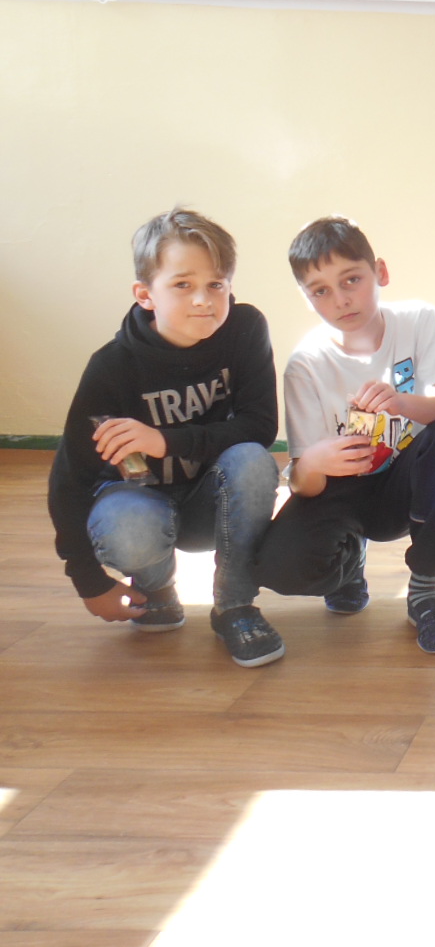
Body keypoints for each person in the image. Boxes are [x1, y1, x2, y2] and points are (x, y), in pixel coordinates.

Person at [46, 208, 283, 667]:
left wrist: (164, 441)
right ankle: (156, 588)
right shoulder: (111, 367)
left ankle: (234, 605)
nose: (203, 300)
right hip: (141, 504)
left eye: (216, 284)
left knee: (254, 460)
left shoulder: (245, 329)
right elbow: (69, 480)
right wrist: (88, 581)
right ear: (145, 295)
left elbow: (259, 425)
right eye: (182, 285)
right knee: (126, 520)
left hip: (210, 503)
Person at [253, 216, 435, 654]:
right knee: (280, 566)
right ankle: (348, 563)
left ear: (380, 273)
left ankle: (424, 591)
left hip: (407, 486)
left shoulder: (416, 320)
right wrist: (312, 462)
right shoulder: (306, 364)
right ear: (307, 299)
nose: (340, 299)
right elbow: (303, 482)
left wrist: (403, 403)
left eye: (351, 280)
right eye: (321, 291)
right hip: (343, 489)